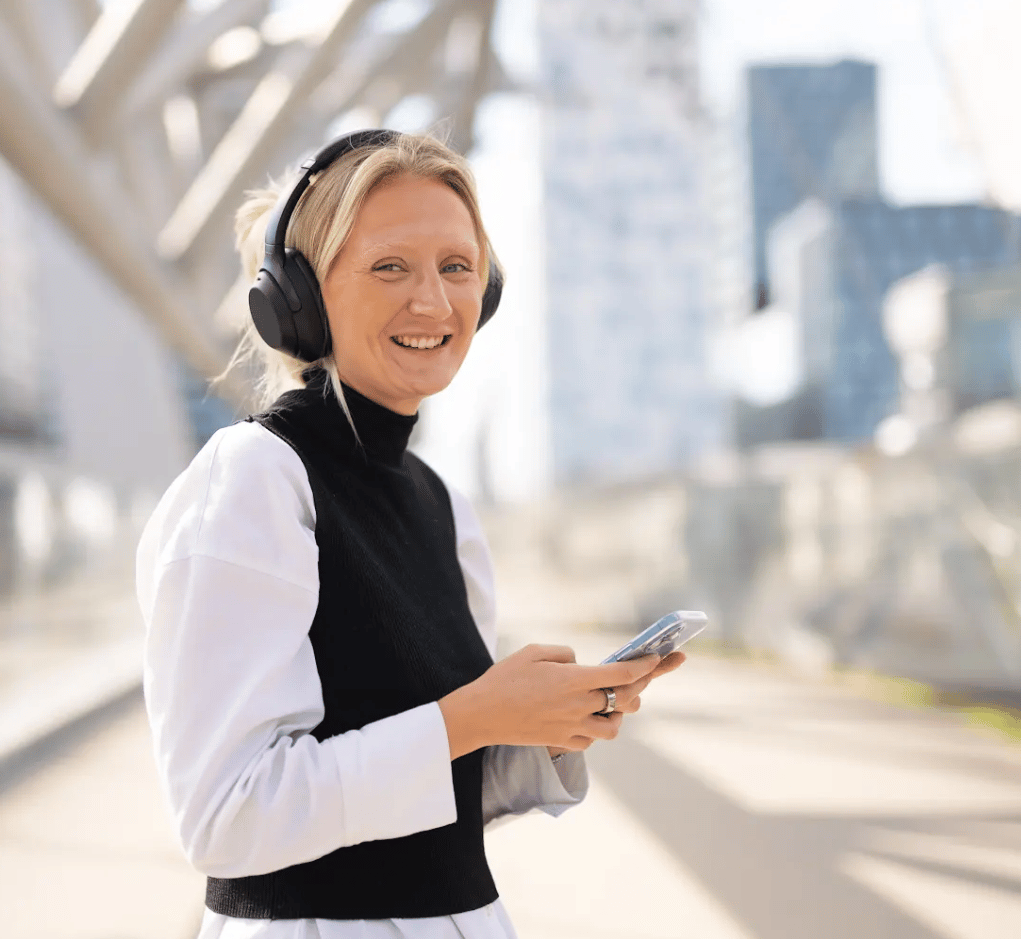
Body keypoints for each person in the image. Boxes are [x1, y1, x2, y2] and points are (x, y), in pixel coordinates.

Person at [136, 129, 685, 939]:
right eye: (390, 266)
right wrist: (471, 714)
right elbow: (227, 815)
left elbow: (434, 790)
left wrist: (540, 727)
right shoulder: (254, 477)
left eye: (456, 267)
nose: (432, 301)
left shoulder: (440, 502)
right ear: (303, 297)